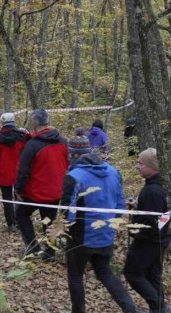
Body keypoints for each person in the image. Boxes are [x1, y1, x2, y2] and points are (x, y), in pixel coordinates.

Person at [60, 134, 140, 313]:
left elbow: (67, 210)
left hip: (80, 236)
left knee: (75, 275)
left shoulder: (73, 176)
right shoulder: (113, 172)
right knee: (104, 271)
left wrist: (66, 229)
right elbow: (120, 205)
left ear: (73, 155)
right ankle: (131, 308)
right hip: (105, 233)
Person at [15, 109, 69, 260]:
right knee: (48, 220)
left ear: (34, 122)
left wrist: (18, 190)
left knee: (21, 214)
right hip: (55, 191)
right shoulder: (63, 141)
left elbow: (23, 170)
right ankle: (49, 252)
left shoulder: (32, 144)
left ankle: (33, 247)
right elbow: (68, 164)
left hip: (35, 192)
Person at [124, 148, 171, 313]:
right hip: (158, 239)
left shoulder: (153, 191)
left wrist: (135, 230)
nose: (138, 166)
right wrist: (137, 207)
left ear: (153, 167)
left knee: (132, 272)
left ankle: (159, 307)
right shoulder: (156, 187)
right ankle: (158, 309)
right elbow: (161, 215)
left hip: (149, 242)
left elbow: (155, 221)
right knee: (152, 277)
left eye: (141, 163)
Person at [0, 113, 28, 232]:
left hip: (4, 172)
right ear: (14, 121)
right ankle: (20, 221)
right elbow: (26, 155)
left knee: (7, 199)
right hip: (19, 172)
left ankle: (11, 224)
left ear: (2, 122)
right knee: (20, 197)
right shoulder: (22, 136)